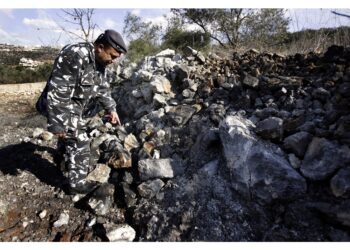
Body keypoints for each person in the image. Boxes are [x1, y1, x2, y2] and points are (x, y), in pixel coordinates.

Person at [44, 29, 127, 195]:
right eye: (112, 56)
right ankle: (76, 184)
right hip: (63, 105)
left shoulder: (100, 63)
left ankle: (64, 157)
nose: (112, 61)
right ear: (100, 48)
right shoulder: (74, 54)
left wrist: (111, 109)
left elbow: (102, 88)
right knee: (80, 140)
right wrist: (58, 124)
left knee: (72, 136)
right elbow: (58, 90)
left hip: (78, 106)